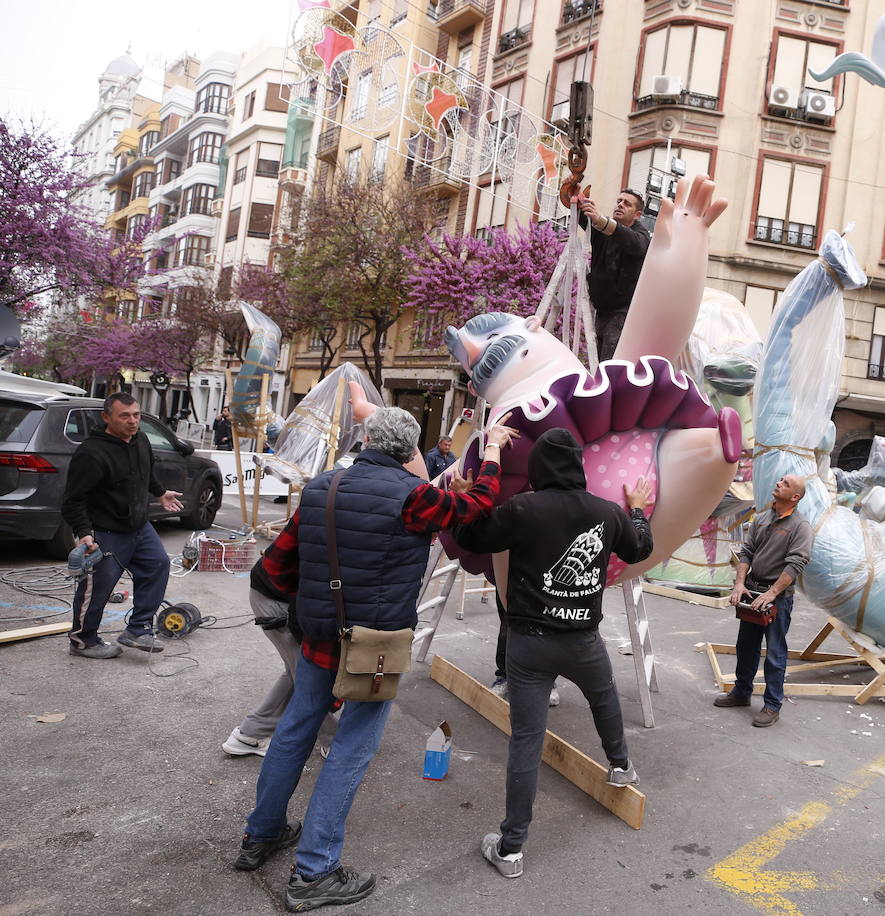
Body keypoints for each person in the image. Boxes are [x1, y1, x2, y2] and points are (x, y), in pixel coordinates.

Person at [234, 407, 518, 911]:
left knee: (295, 730)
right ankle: (314, 870)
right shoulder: (413, 498)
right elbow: (478, 504)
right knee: (352, 748)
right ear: (411, 452)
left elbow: (279, 565)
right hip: (375, 644)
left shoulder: (322, 488)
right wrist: (492, 447)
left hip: (319, 634)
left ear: (366, 440)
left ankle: (262, 835)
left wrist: (314, 603)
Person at [456, 428, 653, 879]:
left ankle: (510, 850)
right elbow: (641, 546)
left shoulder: (522, 508)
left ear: (540, 468)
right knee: (604, 700)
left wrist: (468, 498)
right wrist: (637, 509)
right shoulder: (606, 513)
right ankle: (621, 767)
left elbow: (472, 537)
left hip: (528, 644)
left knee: (527, 742)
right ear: (579, 467)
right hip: (583, 639)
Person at [61, 392, 183, 658]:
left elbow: (146, 473)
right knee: (97, 588)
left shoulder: (140, 440)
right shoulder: (91, 453)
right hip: (105, 532)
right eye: (124, 416)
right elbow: (72, 500)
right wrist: (84, 534)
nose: (132, 421)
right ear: (107, 417)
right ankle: (83, 641)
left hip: (139, 527)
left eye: (136, 415)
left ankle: (137, 629)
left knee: (157, 564)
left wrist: (160, 493)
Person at [713, 474, 813, 727]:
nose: (779, 483)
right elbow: (747, 553)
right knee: (746, 647)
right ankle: (742, 692)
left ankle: (772, 705)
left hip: (776, 598)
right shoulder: (762, 518)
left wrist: (771, 594)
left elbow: (796, 564)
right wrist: (739, 584)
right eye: (780, 480)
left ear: (795, 497)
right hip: (752, 592)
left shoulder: (800, 527)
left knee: (775, 653)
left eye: (786, 484)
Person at [220, 556, 336, 758]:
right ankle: (335, 743)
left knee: (297, 672)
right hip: (278, 601)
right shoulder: (329, 533)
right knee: (309, 677)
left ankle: (252, 734)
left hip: (276, 594)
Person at [575, 189, 651, 358]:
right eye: (619, 201)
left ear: (637, 215)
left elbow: (634, 243)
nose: (620, 205)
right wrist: (573, 195)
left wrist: (599, 220)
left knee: (609, 365)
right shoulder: (603, 230)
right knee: (600, 362)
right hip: (601, 310)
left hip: (622, 313)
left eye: (627, 203)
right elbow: (580, 215)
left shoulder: (642, 236)